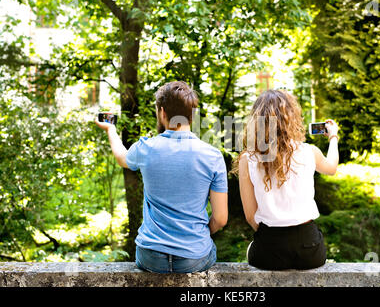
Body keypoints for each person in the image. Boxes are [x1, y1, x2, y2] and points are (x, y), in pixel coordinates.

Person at [95, 81, 228, 273]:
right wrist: (196, 238)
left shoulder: (146, 148)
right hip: (193, 258)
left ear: (162, 112)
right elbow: (221, 219)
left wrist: (111, 130)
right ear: (192, 115)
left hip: (151, 257)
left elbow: (121, 158)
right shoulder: (213, 156)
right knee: (208, 250)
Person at [234, 89, 339, 270]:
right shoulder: (309, 151)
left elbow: (251, 217)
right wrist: (333, 137)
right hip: (310, 249)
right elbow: (331, 168)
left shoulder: (247, 159)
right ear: (291, 117)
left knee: (253, 249)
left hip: (269, 249)